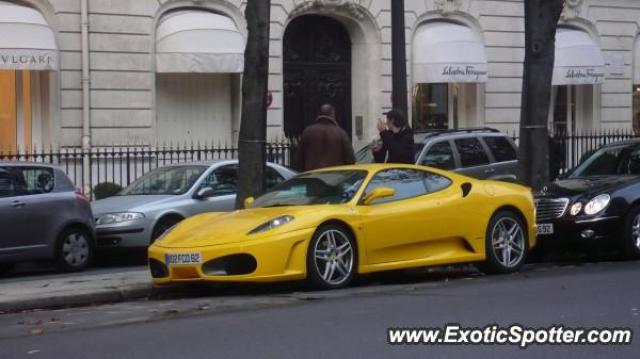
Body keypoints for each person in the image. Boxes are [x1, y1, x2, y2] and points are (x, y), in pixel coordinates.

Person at [295, 104, 355, 172]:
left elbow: (299, 159)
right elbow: (350, 159)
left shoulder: (307, 132)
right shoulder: (341, 133)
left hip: (312, 176)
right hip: (335, 177)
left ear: (319, 114)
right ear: (333, 114)